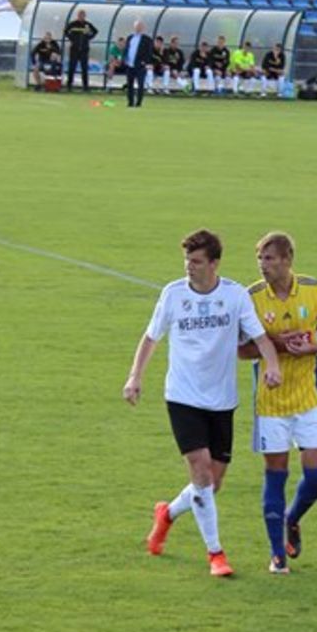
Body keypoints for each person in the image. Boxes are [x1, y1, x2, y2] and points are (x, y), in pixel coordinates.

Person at [125, 228, 282, 577]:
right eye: (187, 260)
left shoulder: (235, 295)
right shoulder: (173, 295)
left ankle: (166, 514)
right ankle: (216, 554)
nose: (189, 267)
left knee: (211, 483)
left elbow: (260, 338)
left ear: (214, 263)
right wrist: (135, 376)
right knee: (199, 468)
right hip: (182, 396)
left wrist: (272, 364)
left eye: (196, 261)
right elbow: (151, 337)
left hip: (222, 400)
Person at [241, 232, 317, 573]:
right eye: (260, 259)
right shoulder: (251, 298)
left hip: (309, 398)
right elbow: (240, 350)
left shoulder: (316, 290)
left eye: (269, 259)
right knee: (276, 475)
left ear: (287, 260)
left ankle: (293, 518)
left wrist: (310, 348)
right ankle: (277, 555)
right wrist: (277, 346)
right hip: (270, 403)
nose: (263, 265)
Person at [120, 19, 154, 108]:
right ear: (134, 27)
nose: (138, 28)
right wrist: (124, 59)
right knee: (129, 84)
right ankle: (130, 102)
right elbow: (126, 49)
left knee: (140, 84)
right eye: (136, 26)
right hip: (129, 65)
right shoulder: (130, 37)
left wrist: (144, 62)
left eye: (140, 26)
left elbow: (149, 52)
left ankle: (138, 103)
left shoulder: (147, 39)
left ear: (143, 28)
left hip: (140, 66)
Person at [62, 8, 97, 91]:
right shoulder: (73, 24)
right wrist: (72, 39)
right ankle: (69, 85)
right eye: (80, 15)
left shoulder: (87, 25)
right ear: (77, 16)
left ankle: (85, 86)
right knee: (72, 68)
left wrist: (88, 38)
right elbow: (65, 31)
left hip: (84, 50)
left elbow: (95, 31)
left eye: (83, 15)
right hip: (74, 49)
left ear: (85, 16)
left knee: (84, 68)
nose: (81, 17)